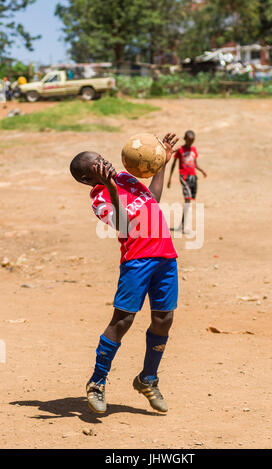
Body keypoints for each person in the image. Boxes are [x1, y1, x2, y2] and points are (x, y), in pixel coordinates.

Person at [69, 133, 179, 414]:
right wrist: (109, 185)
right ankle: (97, 382)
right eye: (96, 165)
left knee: (164, 319)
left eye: (102, 158)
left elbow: (152, 198)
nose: (104, 163)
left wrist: (163, 161)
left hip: (165, 255)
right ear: (87, 179)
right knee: (123, 320)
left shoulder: (128, 180)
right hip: (137, 261)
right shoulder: (100, 198)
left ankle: (147, 379)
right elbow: (124, 223)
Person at [167, 130, 207, 233]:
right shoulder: (180, 150)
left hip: (193, 177)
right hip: (184, 176)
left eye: (192, 141)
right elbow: (173, 164)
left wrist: (202, 171)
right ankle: (184, 225)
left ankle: (182, 224)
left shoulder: (193, 150)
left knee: (189, 201)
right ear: (185, 139)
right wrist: (170, 179)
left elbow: (195, 164)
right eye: (189, 140)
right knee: (187, 199)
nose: (190, 142)